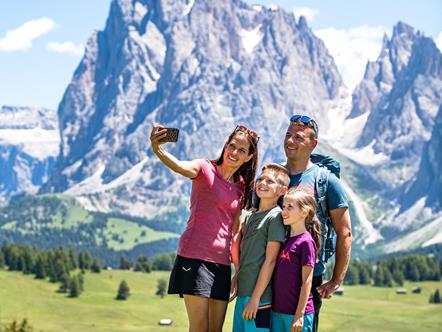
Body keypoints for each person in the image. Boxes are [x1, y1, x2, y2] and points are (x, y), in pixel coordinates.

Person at [150, 124, 259, 332]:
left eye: (241, 150)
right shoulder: (204, 168)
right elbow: (179, 166)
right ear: (225, 145)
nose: (234, 152)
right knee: (200, 327)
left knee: (215, 329)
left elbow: (235, 231)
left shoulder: (241, 185)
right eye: (232, 146)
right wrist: (158, 149)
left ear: (249, 156)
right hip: (194, 257)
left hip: (222, 265)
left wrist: (237, 269)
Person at [283, 114, 352, 331]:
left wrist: (336, 280)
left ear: (313, 145)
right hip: (271, 272)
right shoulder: (272, 177)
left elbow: (345, 233)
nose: (290, 141)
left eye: (299, 138)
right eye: (288, 135)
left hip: (309, 275)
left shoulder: (326, 180)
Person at [231, 163, 290, 332]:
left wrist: (255, 299)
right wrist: (237, 276)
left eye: (269, 181)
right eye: (261, 179)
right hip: (243, 293)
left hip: (259, 299)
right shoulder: (251, 216)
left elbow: (270, 261)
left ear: (282, 191)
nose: (262, 183)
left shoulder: (276, 217)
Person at [271, 189, 322, 332]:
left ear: (304, 212)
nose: (284, 211)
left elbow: (307, 281)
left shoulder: (306, 242)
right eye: (283, 207)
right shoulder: (286, 240)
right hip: (277, 312)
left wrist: (299, 316)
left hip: (297, 315)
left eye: (290, 207)